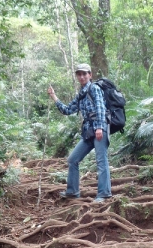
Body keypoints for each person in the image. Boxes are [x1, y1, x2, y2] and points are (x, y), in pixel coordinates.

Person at [47, 63, 112, 203]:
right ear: (77, 76)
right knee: (73, 159)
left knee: (101, 161)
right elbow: (67, 110)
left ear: (90, 75)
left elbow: (100, 107)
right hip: (88, 132)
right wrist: (54, 97)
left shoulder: (94, 88)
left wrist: (100, 127)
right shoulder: (81, 95)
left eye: (84, 74)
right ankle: (72, 191)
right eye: (79, 74)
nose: (82, 76)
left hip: (99, 128)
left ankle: (104, 194)